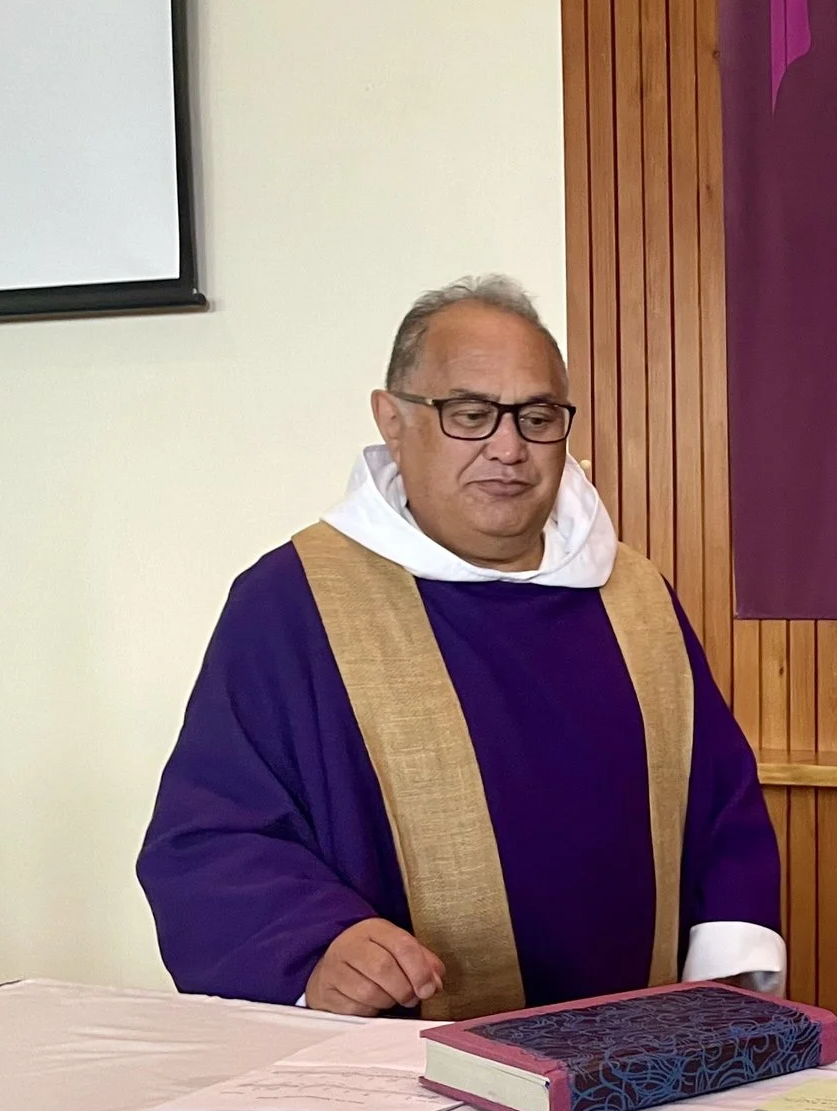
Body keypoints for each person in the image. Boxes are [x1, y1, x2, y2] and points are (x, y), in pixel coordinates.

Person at [139, 277, 783, 1017]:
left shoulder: (634, 598)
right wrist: (313, 948)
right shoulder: (294, 605)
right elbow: (211, 836)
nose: (508, 448)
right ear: (392, 419)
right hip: (397, 1083)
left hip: (635, 1068)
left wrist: (736, 1003)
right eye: (470, 414)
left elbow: (724, 814)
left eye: (537, 417)